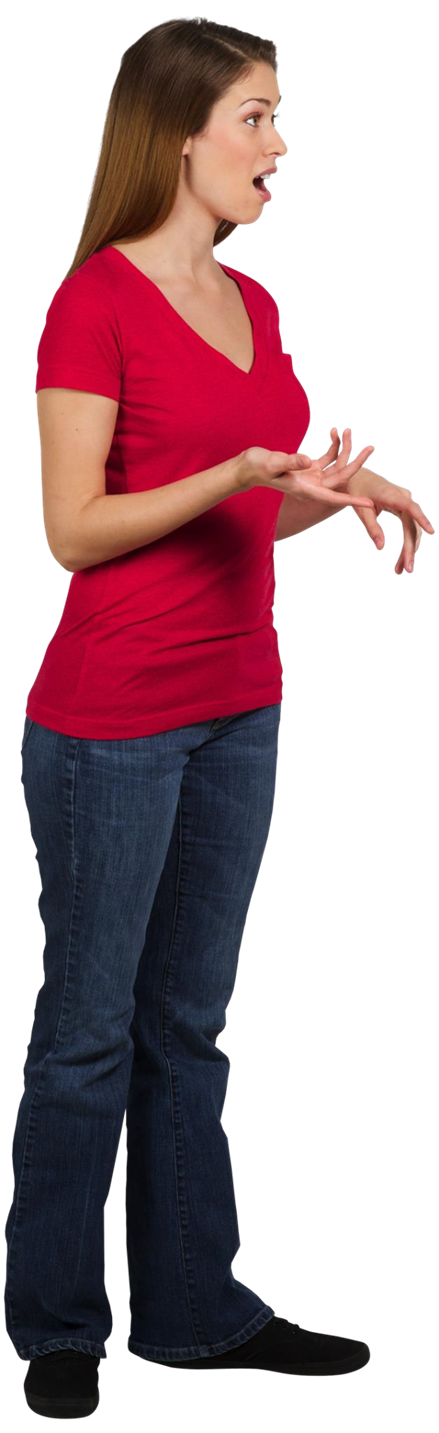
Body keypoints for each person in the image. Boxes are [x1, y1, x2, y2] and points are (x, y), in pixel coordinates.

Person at [6, 22, 372, 1395]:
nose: (278, 146)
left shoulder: (255, 303)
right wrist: (230, 475)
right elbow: (73, 531)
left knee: (189, 1027)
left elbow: (249, 515)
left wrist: (321, 497)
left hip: (240, 705)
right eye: (255, 118)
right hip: (111, 722)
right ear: (176, 134)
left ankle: (193, 1310)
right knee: (90, 1031)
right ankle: (58, 1326)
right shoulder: (91, 303)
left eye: (276, 117)